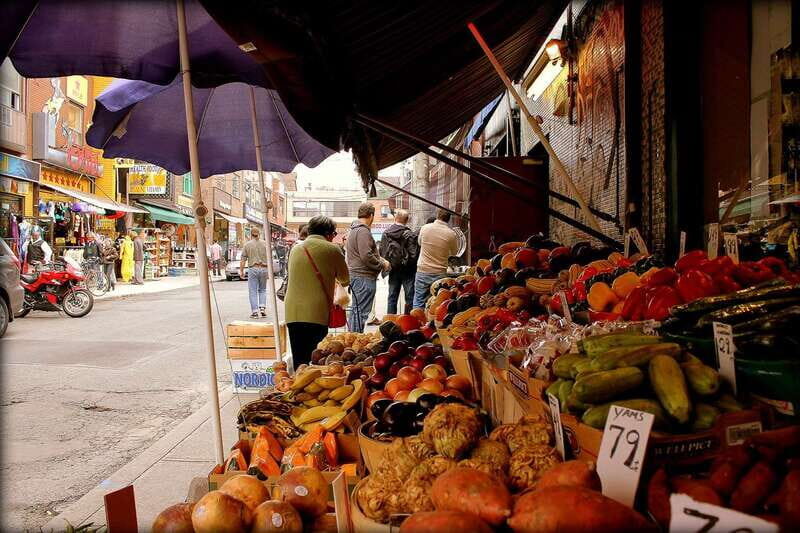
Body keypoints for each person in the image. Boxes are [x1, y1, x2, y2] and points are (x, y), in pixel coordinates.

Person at [285, 215, 349, 366]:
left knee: (299, 361)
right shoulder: (332, 249)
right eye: (334, 234)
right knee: (316, 360)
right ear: (328, 233)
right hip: (317, 311)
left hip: (292, 311)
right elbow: (345, 279)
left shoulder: (296, 249)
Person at [345, 203, 389, 332]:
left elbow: (364, 254)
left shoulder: (354, 230)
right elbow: (366, 256)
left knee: (357, 312)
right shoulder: (363, 231)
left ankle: (353, 337)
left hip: (357, 276)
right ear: (371, 215)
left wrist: (380, 259)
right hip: (363, 277)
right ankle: (355, 338)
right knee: (360, 313)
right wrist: (382, 264)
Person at [413, 209, 459, 309]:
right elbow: (454, 253)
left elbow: (420, 243)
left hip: (423, 270)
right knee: (438, 303)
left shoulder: (425, 228)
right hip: (440, 273)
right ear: (448, 219)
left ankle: (417, 318)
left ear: (437, 215)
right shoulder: (451, 234)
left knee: (419, 301)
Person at [379, 209, 418, 314]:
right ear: (407, 220)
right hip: (408, 271)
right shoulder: (409, 234)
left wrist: (389, 264)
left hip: (393, 269)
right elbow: (414, 255)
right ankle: (408, 320)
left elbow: (382, 252)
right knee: (409, 298)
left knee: (392, 297)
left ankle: (390, 320)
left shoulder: (386, 233)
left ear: (395, 218)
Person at [240, 228, 269, 318]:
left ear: (251, 234)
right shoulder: (265, 244)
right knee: (263, 289)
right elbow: (270, 258)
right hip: (264, 268)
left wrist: (241, 271)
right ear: (259, 234)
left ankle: (255, 312)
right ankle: (262, 308)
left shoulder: (247, 245)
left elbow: (243, 260)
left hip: (253, 268)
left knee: (253, 290)